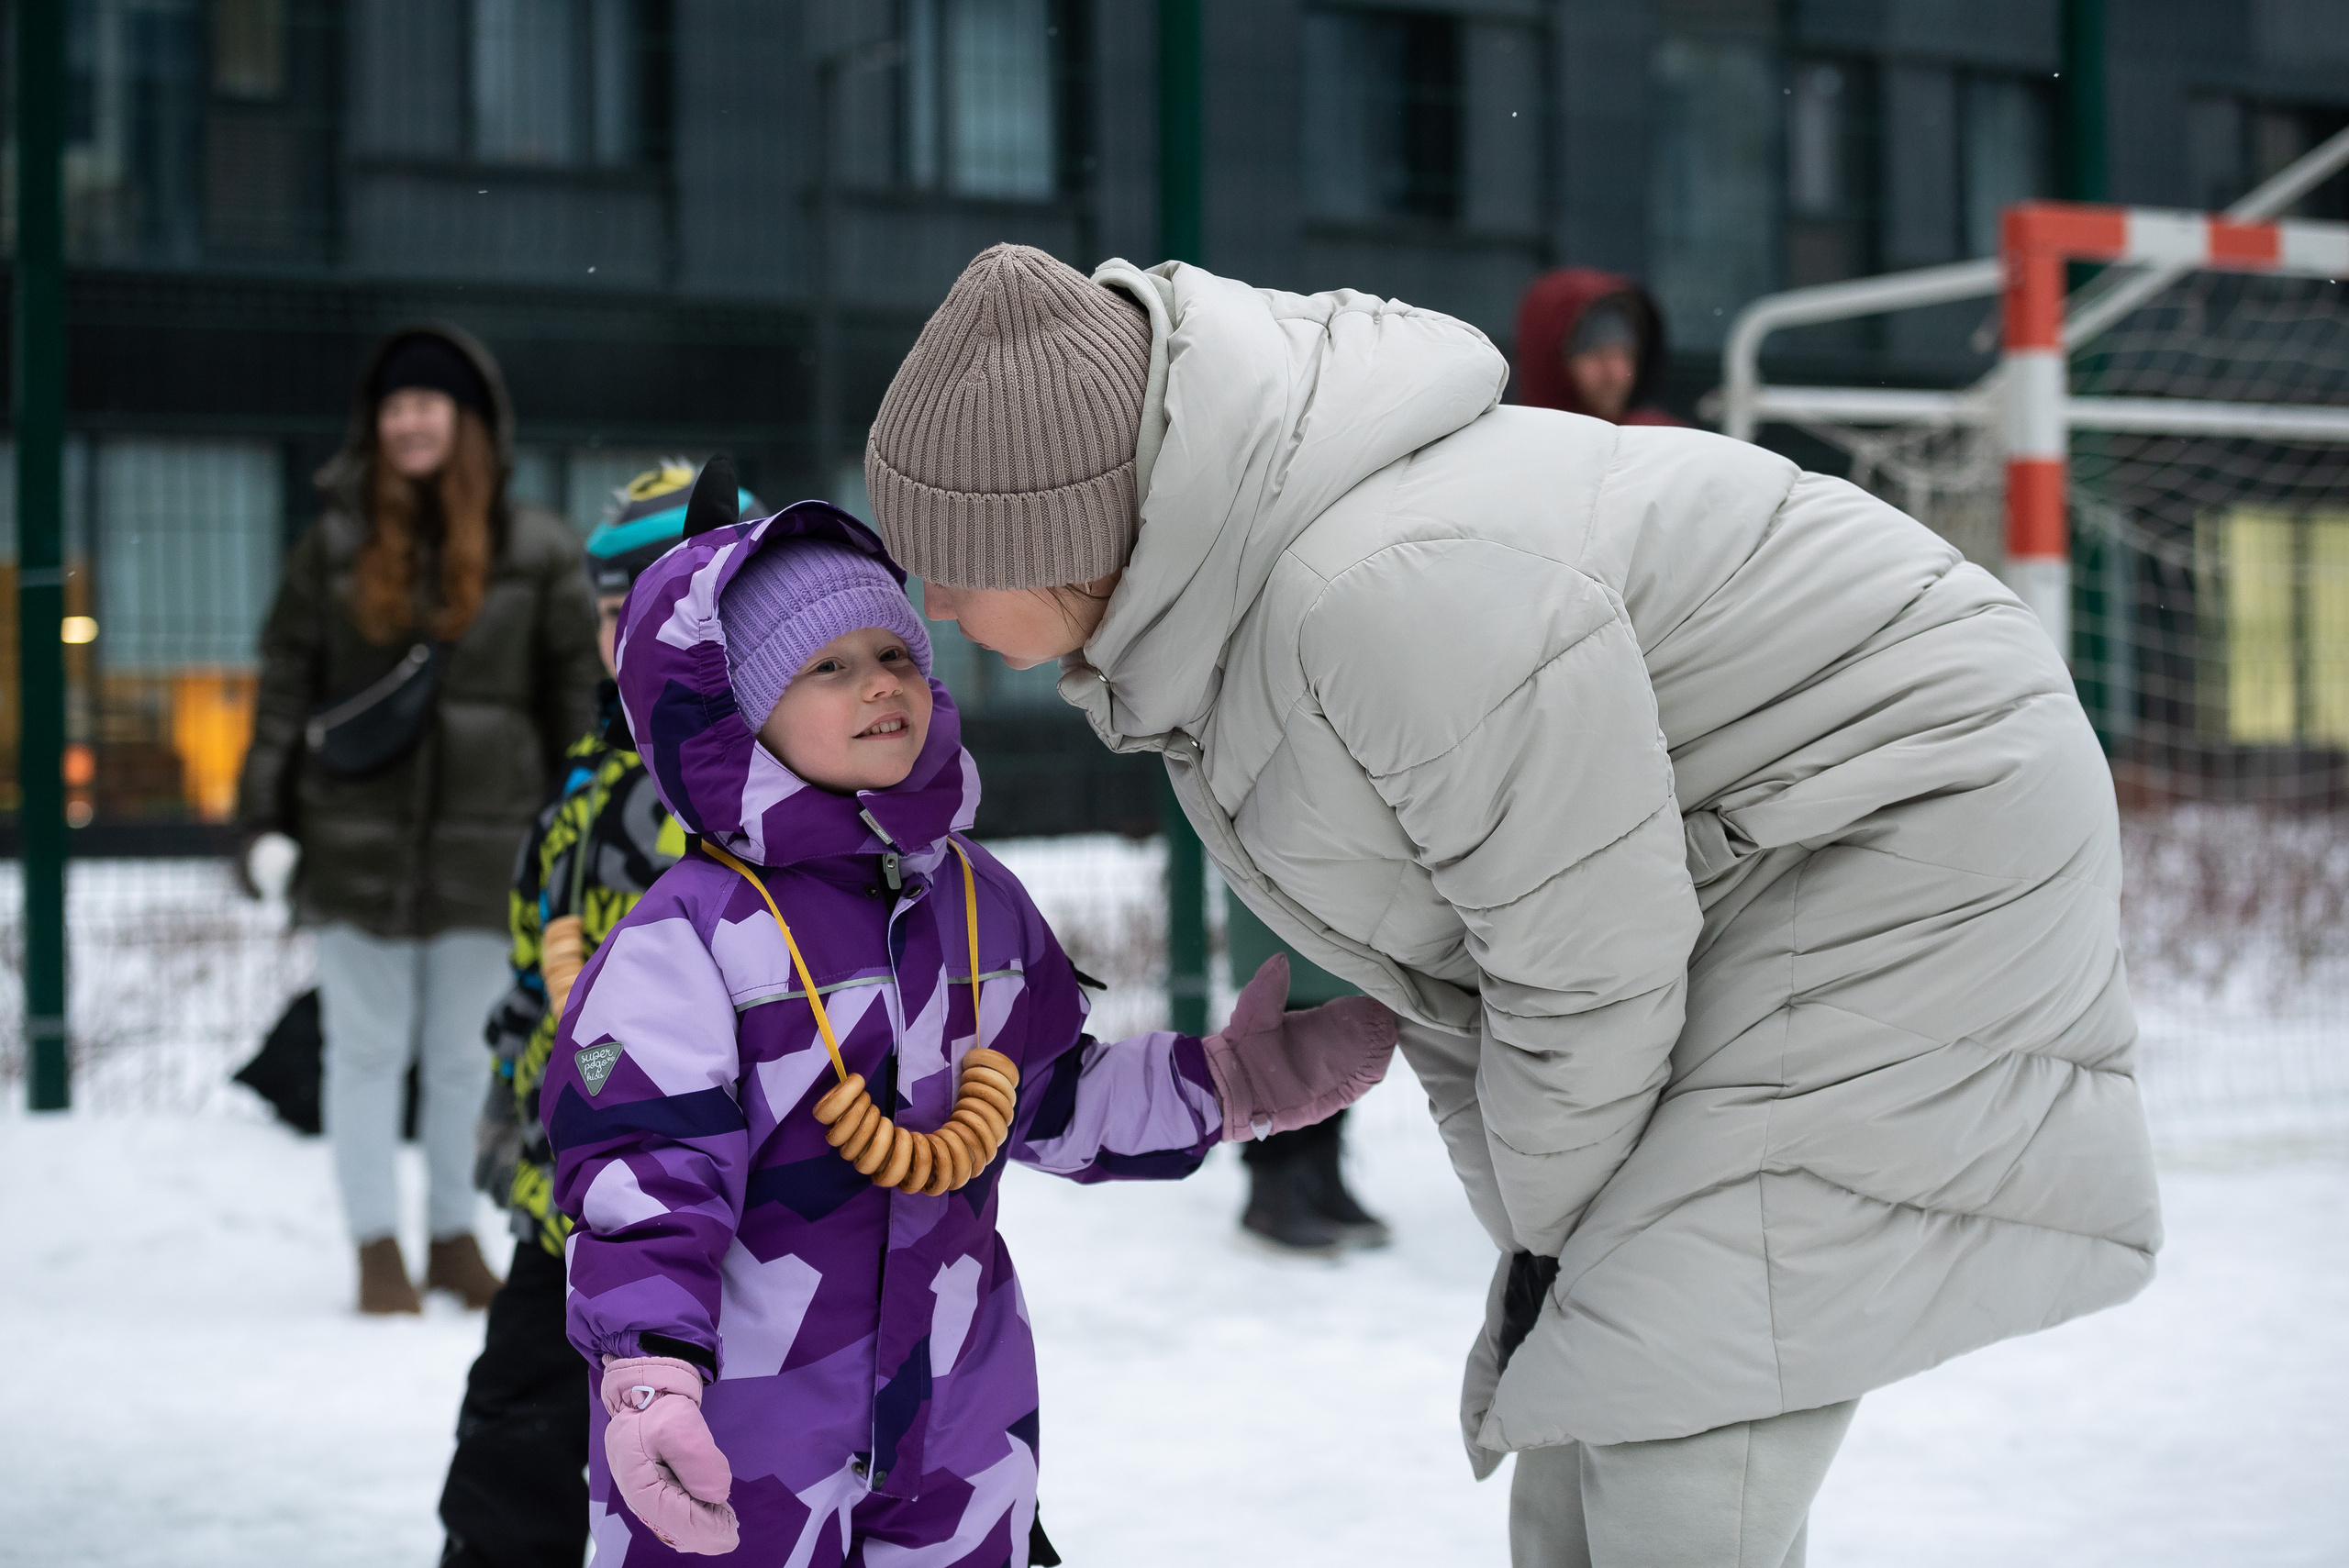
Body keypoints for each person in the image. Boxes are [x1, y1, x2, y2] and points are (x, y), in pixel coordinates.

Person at [864, 245, 2161, 1567]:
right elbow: (1469, 961)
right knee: (1598, 1364)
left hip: (1905, 822)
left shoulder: (1369, 592)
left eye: (956, 567)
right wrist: (1553, 1233)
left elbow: (1586, 958)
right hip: (1749, 851)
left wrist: (1561, 1229)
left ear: (1067, 543)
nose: (939, 611)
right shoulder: (1230, 624)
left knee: (1677, 1371)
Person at [538, 494, 1396, 1562]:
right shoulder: (692, 941)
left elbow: (1055, 1096)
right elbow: (644, 1181)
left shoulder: (977, 902)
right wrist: (652, 1379)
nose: (881, 681)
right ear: (739, 717)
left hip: (955, 1425)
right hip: (742, 1439)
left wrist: (1233, 1080)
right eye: (829, 666)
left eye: (894, 649)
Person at [236, 324, 603, 1316]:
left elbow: (577, 698)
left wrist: (585, 823)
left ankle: (450, 1234)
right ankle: (374, 1248)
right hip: (353, 847)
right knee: (362, 1050)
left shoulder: (537, 547)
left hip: (489, 851)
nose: (408, 421)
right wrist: (262, 821)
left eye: (426, 404)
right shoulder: (333, 548)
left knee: (460, 1056)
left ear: (467, 420)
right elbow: (283, 688)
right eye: (393, 406)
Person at [438, 462, 758, 1568]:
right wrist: (508, 1099)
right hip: (561, 1213)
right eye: (619, 602)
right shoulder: (581, 792)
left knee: (708, 1478)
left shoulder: (751, 789)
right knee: (510, 1461)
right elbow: (532, 978)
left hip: (709, 1228)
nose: (640, 621)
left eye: (674, 591)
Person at [1223, 896, 1389, 1253]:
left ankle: (1318, 1175)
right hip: (1270, 870)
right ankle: (1270, 1191)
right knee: (1275, 1017)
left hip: (1331, 875)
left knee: (1332, 1014)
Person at [1511, 266, 1684, 425]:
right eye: (1596, 353)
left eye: (1625, 353)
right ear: (1549, 360)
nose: (1615, 373)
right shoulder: (1513, 451)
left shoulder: (1663, 444)